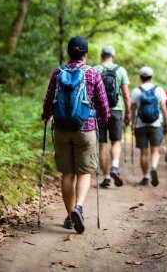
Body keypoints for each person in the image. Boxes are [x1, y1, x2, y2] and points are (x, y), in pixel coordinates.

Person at [42, 36, 110, 234]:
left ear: (68, 53)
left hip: (62, 128)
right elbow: (102, 103)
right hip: (86, 128)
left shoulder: (58, 72)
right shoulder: (93, 73)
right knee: (85, 172)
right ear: (86, 54)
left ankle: (70, 216)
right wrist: (104, 119)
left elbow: (49, 99)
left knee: (68, 173)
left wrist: (46, 116)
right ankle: (79, 207)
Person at [95, 46, 131, 188]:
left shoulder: (95, 69)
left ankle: (106, 177)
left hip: (99, 112)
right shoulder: (120, 70)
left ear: (101, 56)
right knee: (116, 141)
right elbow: (126, 95)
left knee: (102, 144)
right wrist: (128, 112)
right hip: (116, 110)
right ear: (113, 56)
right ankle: (115, 166)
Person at [130, 66, 167, 187]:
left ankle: (146, 177)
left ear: (141, 77)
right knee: (155, 150)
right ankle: (153, 166)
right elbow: (164, 108)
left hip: (140, 124)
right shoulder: (159, 90)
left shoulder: (136, 91)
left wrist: (132, 125)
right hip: (156, 124)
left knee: (143, 152)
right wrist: (166, 125)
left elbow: (132, 110)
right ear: (151, 77)